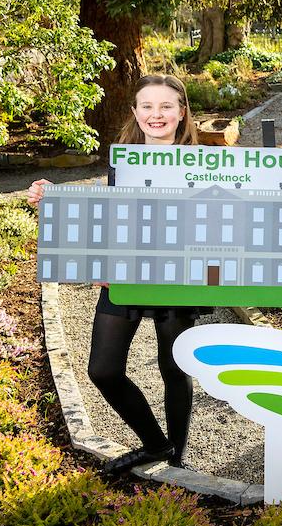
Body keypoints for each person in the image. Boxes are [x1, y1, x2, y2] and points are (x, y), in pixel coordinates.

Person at [28, 74, 206, 472]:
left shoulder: (204, 163)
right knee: (103, 370)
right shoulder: (122, 158)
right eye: (147, 106)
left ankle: (177, 459)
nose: (155, 114)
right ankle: (156, 444)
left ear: (181, 112)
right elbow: (107, 214)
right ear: (135, 112)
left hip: (178, 277)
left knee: (174, 367)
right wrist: (53, 199)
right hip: (125, 274)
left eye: (165, 106)